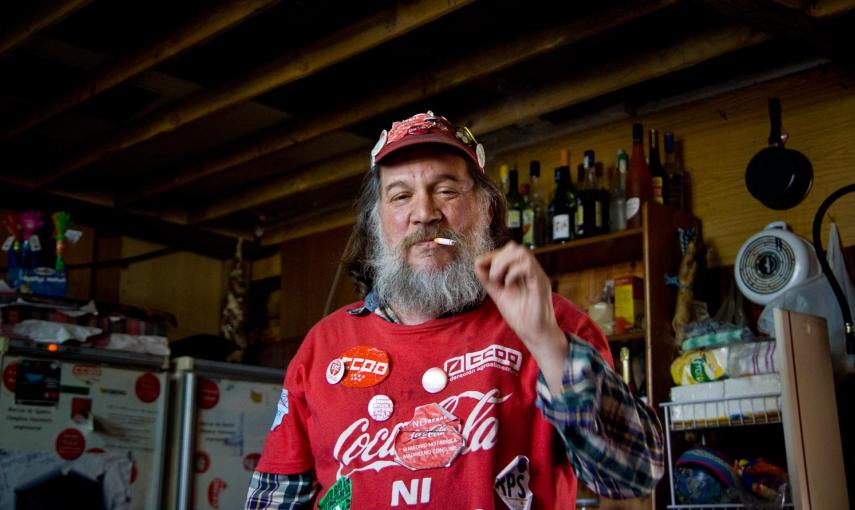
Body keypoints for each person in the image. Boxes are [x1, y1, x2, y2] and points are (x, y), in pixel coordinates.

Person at [245, 112, 664, 509]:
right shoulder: (323, 346)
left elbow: (633, 474)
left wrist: (547, 343)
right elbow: (273, 500)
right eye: (401, 195)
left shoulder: (552, 323)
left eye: (446, 191)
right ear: (378, 221)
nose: (424, 214)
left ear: (486, 208)